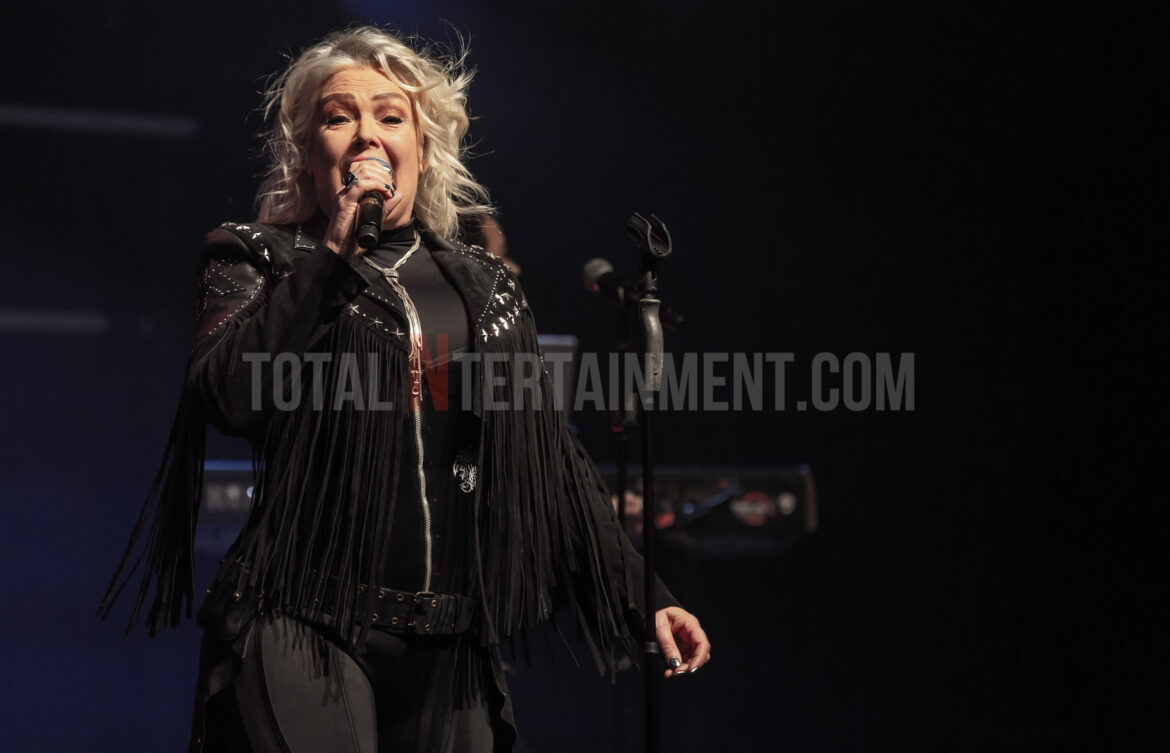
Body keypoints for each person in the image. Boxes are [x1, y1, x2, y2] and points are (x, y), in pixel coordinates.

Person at [99, 26, 709, 753]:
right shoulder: (260, 258)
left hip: (450, 643)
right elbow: (226, 394)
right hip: (304, 621)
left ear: (421, 147)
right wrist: (332, 254)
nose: (367, 134)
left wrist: (644, 597)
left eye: (390, 116)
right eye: (339, 117)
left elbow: (554, 467)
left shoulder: (484, 287)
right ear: (307, 151)